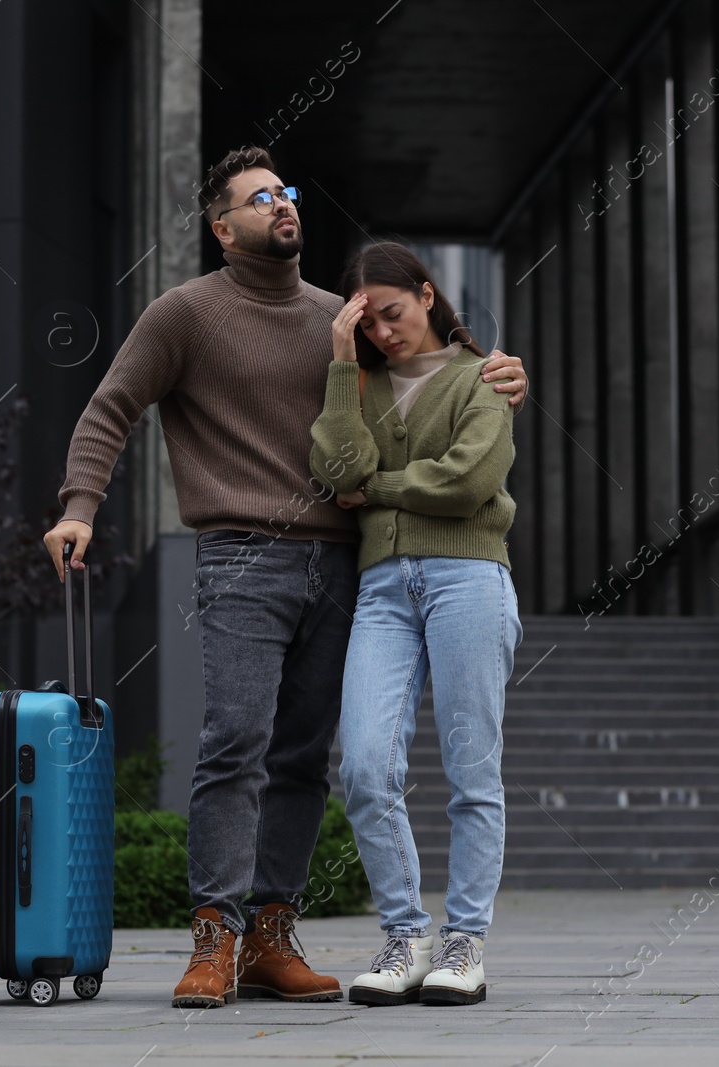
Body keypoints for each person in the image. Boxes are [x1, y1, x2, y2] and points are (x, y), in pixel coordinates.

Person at [41, 146, 526, 1010]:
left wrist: (496, 370)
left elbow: (421, 383)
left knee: (306, 756)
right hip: (240, 555)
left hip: (347, 561)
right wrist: (81, 504)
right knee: (235, 740)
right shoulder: (183, 313)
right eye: (260, 198)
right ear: (224, 227)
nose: (283, 205)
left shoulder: (345, 320)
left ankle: (271, 932)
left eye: (288, 192)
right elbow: (111, 404)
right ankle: (214, 937)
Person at [309, 241, 522, 1007]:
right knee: (365, 764)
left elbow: (469, 483)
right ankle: (406, 933)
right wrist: (340, 358)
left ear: (427, 296)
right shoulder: (357, 383)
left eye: (393, 314)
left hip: (469, 577)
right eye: (368, 325)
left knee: (472, 771)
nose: (385, 334)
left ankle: (465, 942)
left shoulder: (484, 377)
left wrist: (381, 488)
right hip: (381, 590)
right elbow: (337, 473)